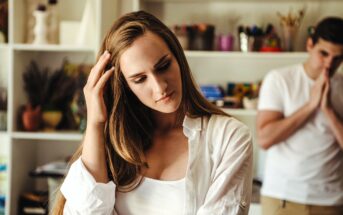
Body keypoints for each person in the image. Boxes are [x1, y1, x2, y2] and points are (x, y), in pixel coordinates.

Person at [52, 11, 253, 215]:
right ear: (123, 86)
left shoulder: (228, 138)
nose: (160, 87)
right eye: (140, 79)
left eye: (164, 66)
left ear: (178, 57)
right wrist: (95, 123)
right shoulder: (114, 144)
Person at [257, 17, 343, 215]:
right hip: (282, 198)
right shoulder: (279, 80)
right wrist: (311, 105)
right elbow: (265, 138)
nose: (329, 63)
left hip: (330, 201)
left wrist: (328, 110)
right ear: (310, 45)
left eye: (338, 58)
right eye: (324, 53)